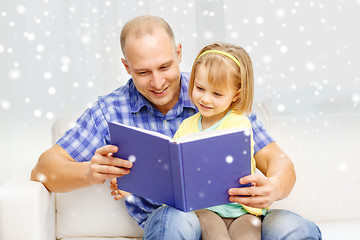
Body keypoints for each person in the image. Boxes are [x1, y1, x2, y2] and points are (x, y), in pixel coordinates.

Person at [31, 15, 322, 239]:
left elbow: (280, 163)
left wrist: (273, 187)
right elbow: (44, 169)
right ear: (126, 66)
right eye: (143, 72)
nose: (157, 83)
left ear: (180, 53)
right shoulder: (109, 110)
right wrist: (88, 172)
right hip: (175, 220)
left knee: (295, 228)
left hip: (242, 214)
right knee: (175, 218)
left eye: (165, 67)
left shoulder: (213, 90)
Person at [172, 42, 264, 240]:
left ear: (236, 95)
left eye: (217, 94)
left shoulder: (239, 123)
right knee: (216, 236)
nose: (205, 99)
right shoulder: (185, 127)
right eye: (200, 88)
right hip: (204, 209)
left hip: (243, 211)